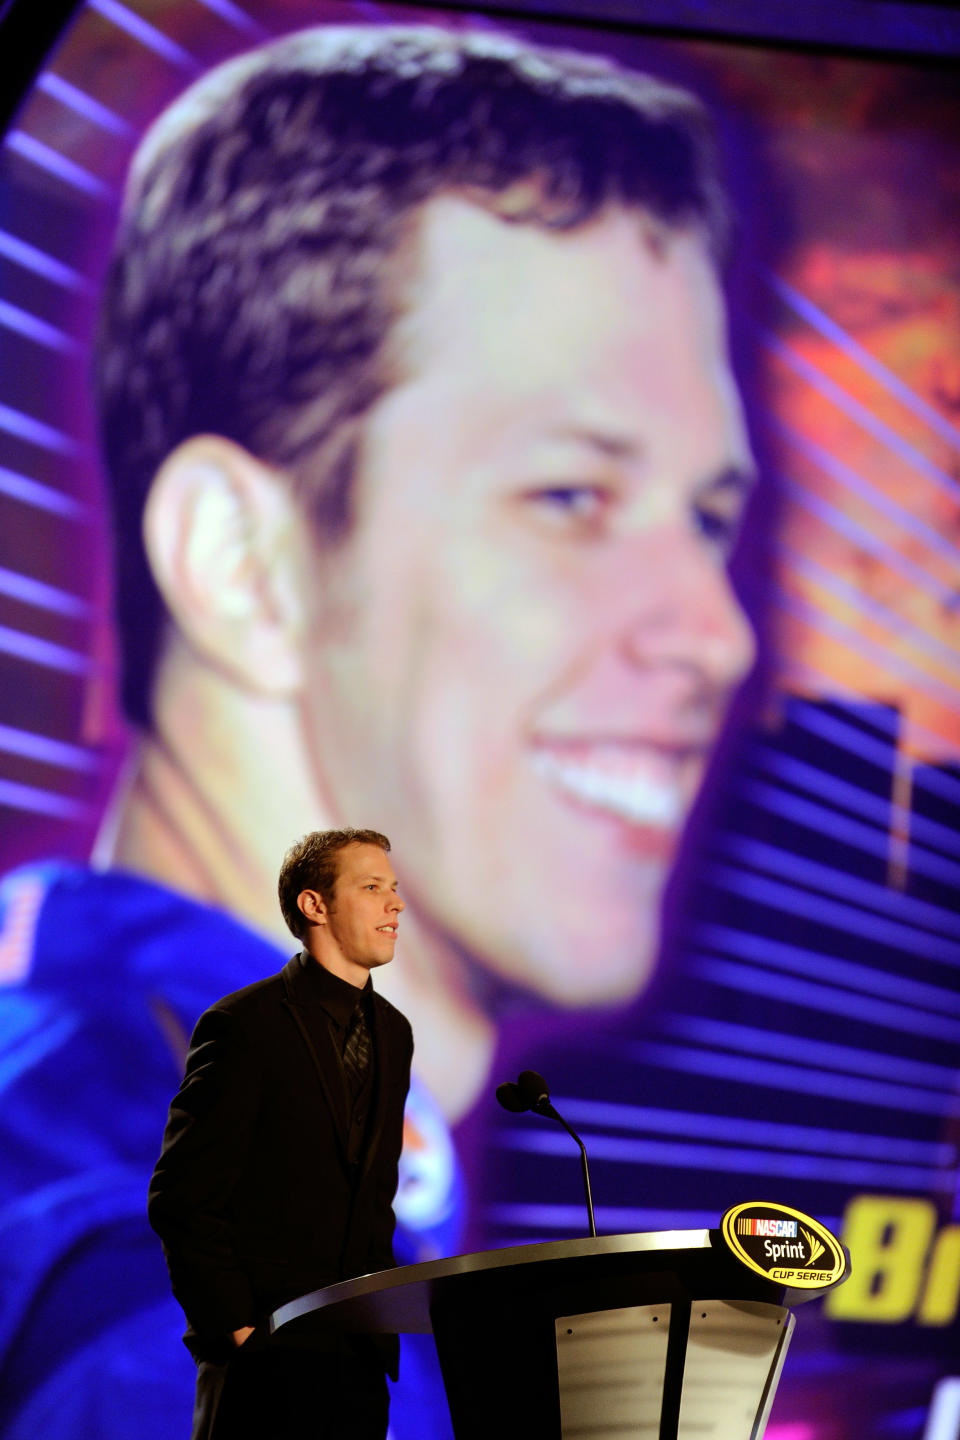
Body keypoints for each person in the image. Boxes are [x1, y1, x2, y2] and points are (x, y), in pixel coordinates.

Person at [0, 22, 755, 1440]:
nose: (717, 634)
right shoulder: (189, 1314)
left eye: (709, 520)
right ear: (243, 561)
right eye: (571, 499)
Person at [148, 828, 410, 1440]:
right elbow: (182, 1198)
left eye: (394, 890)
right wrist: (237, 1331)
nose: (395, 904)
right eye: (372, 888)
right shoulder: (244, 1024)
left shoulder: (395, 1033)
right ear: (314, 906)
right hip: (263, 1357)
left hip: (358, 1365)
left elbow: (371, 1200)